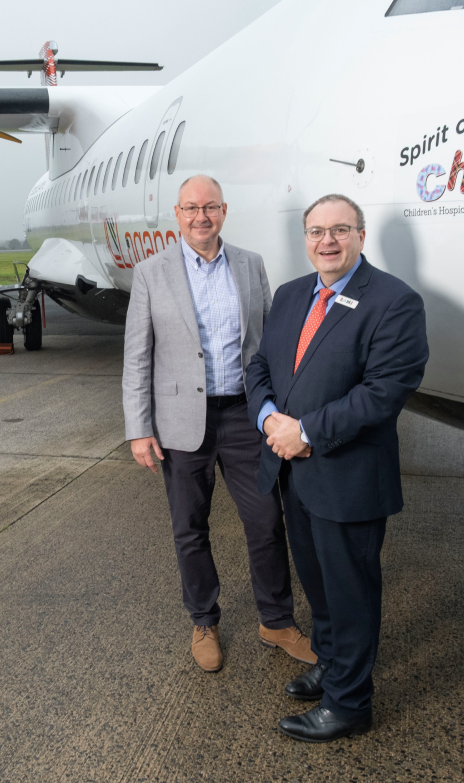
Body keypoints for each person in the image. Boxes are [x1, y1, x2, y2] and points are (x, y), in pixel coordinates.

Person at [246, 194, 428, 742]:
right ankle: (331, 663)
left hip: (347, 476)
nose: (327, 240)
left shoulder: (395, 302)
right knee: (318, 583)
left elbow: (382, 393)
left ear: (361, 236)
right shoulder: (292, 294)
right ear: (306, 238)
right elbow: (260, 365)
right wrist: (270, 418)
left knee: (350, 590)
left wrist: (304, 432)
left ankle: (350, 703)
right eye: (317, 231)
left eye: (340, 230)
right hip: (293, 472)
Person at [122, 175, 315, 673]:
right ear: (177, 213)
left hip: (244, 415)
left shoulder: (250, 265)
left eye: (209, 207)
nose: (200, 217)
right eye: (190, 208)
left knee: (267, 522)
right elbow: (137, 358)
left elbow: (271, 344)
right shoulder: (151, 273)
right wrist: (139, 428)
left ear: (224, 212)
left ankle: (276, 620)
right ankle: (203, 620)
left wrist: (282, 409)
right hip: (180, 422)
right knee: (190, 527)